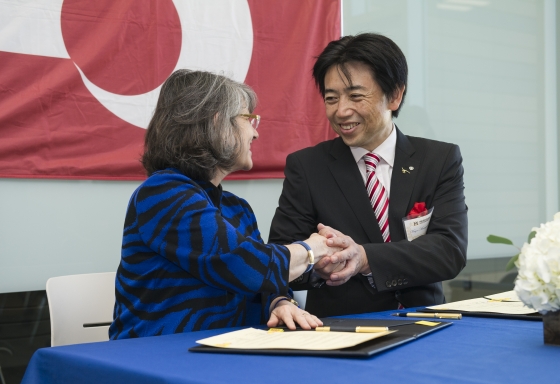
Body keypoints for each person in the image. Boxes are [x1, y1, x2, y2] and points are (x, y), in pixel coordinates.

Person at [110, 69, 340, 339]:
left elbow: (263, 283)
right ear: (217, 122)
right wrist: (314, 248)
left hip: (225, 353)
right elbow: (247, 266)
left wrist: (279, 303)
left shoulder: (236, 207)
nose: (255, 134)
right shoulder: (161, 193)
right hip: (156, 359)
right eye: (248, 119)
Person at [269, 33, 468, 318]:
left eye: (356, 96)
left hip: (425, 323)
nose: (341, 111)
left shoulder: (438, 159)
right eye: (331, 98)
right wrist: (318, 262)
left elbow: (449, 251)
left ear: (395, 95)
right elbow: (281, 260)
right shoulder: (308, 166)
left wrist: (364, 257)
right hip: (340, 330)